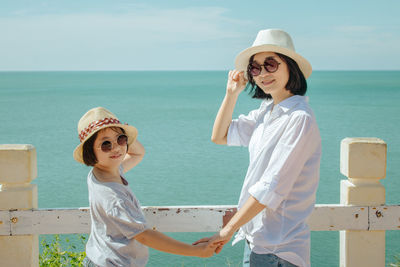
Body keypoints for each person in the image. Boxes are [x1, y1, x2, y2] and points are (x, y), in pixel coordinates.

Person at [194, 29, 321, 267]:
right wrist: (231, 94)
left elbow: (271, 187)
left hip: (280, 249)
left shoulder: (299, 118)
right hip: (255, 241)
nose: (262, 73)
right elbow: (219, 136)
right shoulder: (267, 111)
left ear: (290, 67)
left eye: (270, 64)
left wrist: (227, 230)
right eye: (255, 68)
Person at [73, 107, 215, 267]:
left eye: (120, 139)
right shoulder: (114, 198)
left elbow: (137, 153)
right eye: (106, 144)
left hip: (99, 258)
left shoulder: (101, 173)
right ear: (90, 152)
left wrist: (124, 137)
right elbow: (145, 236)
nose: (116, 148)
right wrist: (195, 251)